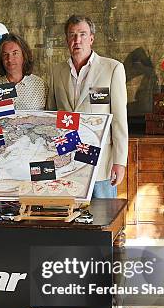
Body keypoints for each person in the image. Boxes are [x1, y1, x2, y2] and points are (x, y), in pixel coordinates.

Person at [47, 15, 128, 198]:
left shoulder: (112, 69)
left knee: (103, 218)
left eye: (83, 34)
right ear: (67, 39)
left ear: (91, 38)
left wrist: (120, 162)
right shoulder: (56, 71)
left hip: (100, 161)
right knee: (71, 219)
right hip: (67, 161)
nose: (77, 40)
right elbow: (51, 116)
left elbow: (120, 120)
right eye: (72, 35)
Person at [0, 33, 48, 110]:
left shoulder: (41, 86)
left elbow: (51, 117)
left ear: (24, 55)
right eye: (5, 54)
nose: (9, 59)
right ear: (0, 59)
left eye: (15, 53)